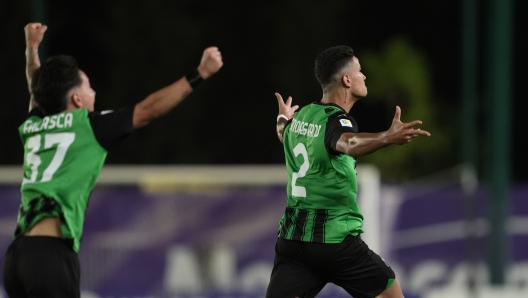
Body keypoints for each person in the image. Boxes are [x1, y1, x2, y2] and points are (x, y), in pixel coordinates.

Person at [2, 22, 223, 298]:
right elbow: (148, 110)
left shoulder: (34, 127)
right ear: (77, 98)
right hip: (51, 256)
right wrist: (200, 73)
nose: (94, 92)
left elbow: (35, 90)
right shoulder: (88, 126)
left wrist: (31, 48)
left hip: (16, 258)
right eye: (89, 86)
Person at [266, 45, 430, 298]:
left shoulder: (302, 117)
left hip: (293, 242)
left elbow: (283, 134)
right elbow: (348, 143)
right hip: (334, 241)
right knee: (390, 292)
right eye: (360, 71)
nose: (363, 76)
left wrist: (283, 119)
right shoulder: (338, 120)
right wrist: (386, 136)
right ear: (346, 79)